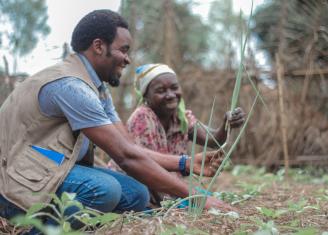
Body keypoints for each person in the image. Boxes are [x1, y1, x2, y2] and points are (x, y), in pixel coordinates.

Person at [0, 10, 231, 226]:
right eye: (124, 49)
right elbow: (126, 157)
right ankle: (39, 229)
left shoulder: (97, 90)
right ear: (99, 46)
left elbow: (128, 145)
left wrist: (185, 163)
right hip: (13, 184)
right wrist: (196, 196)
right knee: (105, 189)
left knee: (136, 193)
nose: (128, 59)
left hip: (48, 172)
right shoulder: (71, 86)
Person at [108, 63, 245, 204]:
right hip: (136, 190)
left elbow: (213, 139)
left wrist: (226, 124)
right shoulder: (142, 118)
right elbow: (146, 169)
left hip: (167, 189)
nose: (171, 95)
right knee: (201, 204)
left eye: (174, 88)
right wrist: (178, 202)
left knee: (214, 201)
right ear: (146, 96)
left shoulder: (181, 117)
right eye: (161, 90)